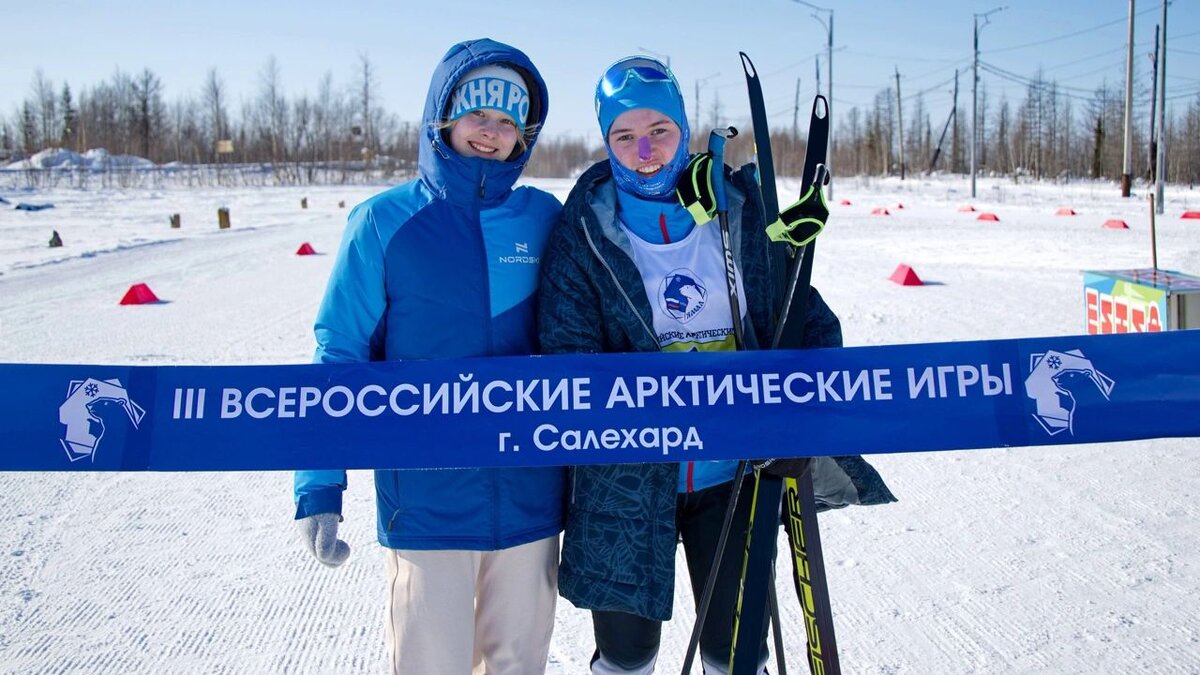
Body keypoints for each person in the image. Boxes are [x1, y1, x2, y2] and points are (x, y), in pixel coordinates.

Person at [538, 56, 894, 675]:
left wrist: (797, 420)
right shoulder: (583, 230)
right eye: (624, 135)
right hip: (624, 478)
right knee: (627, 654)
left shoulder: (741, 212)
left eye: (659, 130)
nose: (644, 149)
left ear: (682, 127)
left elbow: (807, 325)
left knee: (735, 650)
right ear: (606, 140)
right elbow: (568, 356)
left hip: (734, 471)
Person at [293, 38, 564, 675]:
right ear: (442, 116)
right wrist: (319, 485)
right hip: (426, 501)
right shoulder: (383, 223)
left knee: (518, 666)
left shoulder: (546, 219)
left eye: (508, 121)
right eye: (478, 115)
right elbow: (340, 355)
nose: (493, 133)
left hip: (531, 499)